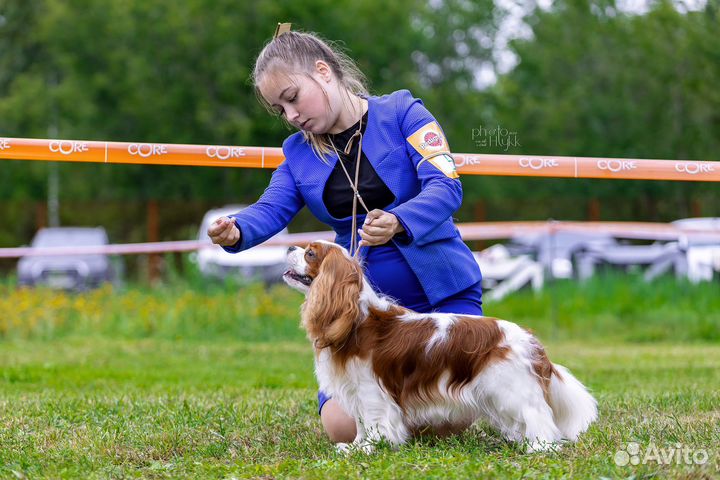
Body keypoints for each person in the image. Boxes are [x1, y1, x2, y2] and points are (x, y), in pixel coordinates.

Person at [207, 28, 483, 443]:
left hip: (440, 296)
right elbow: (270, 208)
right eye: (279, 108)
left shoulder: (405, 113)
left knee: (447, 416)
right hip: (358, 317)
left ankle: (403, 414)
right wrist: (236, 230)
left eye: (293, 97)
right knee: (341, 428)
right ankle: (395, 415)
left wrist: (399, 219)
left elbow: (446, 186)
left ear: (323, 72)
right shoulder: (297, 152)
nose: (291, 115)